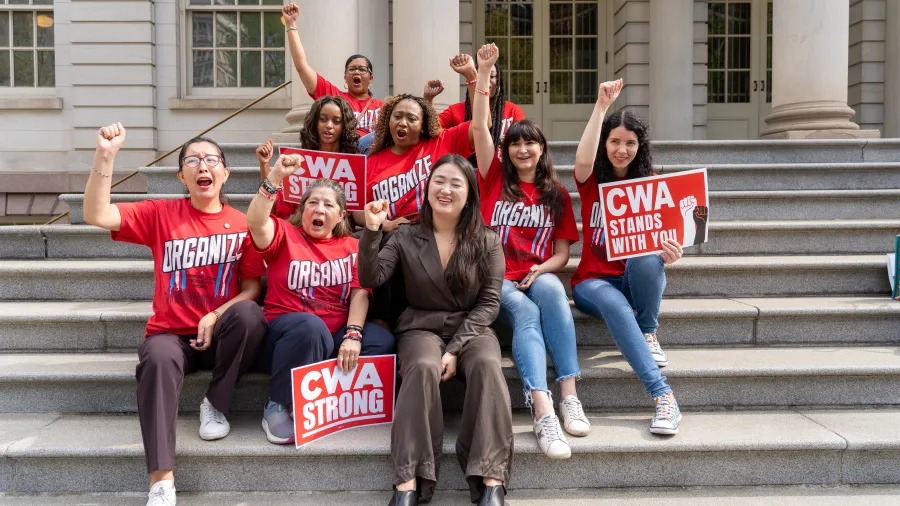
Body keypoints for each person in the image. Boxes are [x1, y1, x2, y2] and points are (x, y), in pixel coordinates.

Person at [83, 123, 267, 506]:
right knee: (156, 359)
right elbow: (97, 214)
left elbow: (252, 289)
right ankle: (161, 480)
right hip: (171, 335)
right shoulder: (161, 214)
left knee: (250, 315)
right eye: (193, 160)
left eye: (212, 159)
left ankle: (215, 404)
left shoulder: (242, 223)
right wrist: (106, 155)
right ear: (182, 175)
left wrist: (216, 314)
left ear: (225, 173)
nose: (204, 166)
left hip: (221, 332)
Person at [359, 155, 512, 506]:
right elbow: (371, 278)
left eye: (456, 183)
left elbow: (489, 304)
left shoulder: (487, 240)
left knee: (489, 366)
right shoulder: (406, 235)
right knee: (423, 367)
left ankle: (491, 479)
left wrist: (455, 349)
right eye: (438, 181)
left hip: (472, 328)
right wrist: (371, 230)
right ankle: (408, 482)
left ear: (470, 194)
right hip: (420, 326)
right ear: (427, 187)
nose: (445, 189)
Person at [471, 42, 585, 461]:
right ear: (508, 150)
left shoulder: (555, 193)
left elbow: (561, 254)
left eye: (530, 144)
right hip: (494, 278)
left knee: (554, 290)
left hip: (535, 274)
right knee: (525, 312)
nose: (522, 150)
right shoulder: (492, 177)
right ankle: (541, 409)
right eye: (515, 144)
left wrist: (542, 269)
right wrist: (483, 73)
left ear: (541, 149)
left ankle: (569, 393)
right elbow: (480, 127)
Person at [247, 153, 395, 445]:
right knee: (310, 329)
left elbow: (361, 292)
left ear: (341, 216)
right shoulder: (284, 234)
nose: (319, 209)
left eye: (329, 205)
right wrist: (274, 179)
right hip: (286, 336)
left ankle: (326, 398)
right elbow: (255, 221)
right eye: (313, 203)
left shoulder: (351, 246)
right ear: (302, 209)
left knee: (381, 341)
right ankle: (277, 403)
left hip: (332, 336)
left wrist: (353, 335)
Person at [571, 80, 684, 435]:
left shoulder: (649, 183)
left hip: (633, 278)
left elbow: (665, 237)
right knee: (616, 305)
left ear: (641, 146)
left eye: (630, 143)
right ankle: (663, 395)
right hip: (593, 282)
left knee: (650, 257)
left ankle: (648, 331)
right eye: (615, 141)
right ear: (605, 144)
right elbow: (583, 158)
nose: (622, 149)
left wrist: (672, 252)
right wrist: (601, 107)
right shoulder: (592, 180)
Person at [282, 3, 382, 139]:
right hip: (344, 156)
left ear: (371, 77)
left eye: (362, 69)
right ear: (345, 76)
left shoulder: (384, 107)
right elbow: (302, 67)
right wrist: (291, 24)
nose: (356, 72)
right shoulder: (335, 97)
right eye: (352, 69)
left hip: (372, 157)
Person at [256, 95, 360, 219]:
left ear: (344, 126)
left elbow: (357, 213)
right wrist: (264, 165)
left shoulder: (354, 163)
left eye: (336, 121)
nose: (329, 125)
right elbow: (274, 211)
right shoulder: (298, 162)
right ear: (315, 123)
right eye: (323, 119)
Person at [431, 52, 525, 172]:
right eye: (480, 76)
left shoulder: (513, 111)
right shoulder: (455, 110)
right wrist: (429, 100)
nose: (485, 81)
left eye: (491, 76)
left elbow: (522, 141)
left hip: (503, 173)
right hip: (465, 174)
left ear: (499, 80)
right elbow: (432, 130)